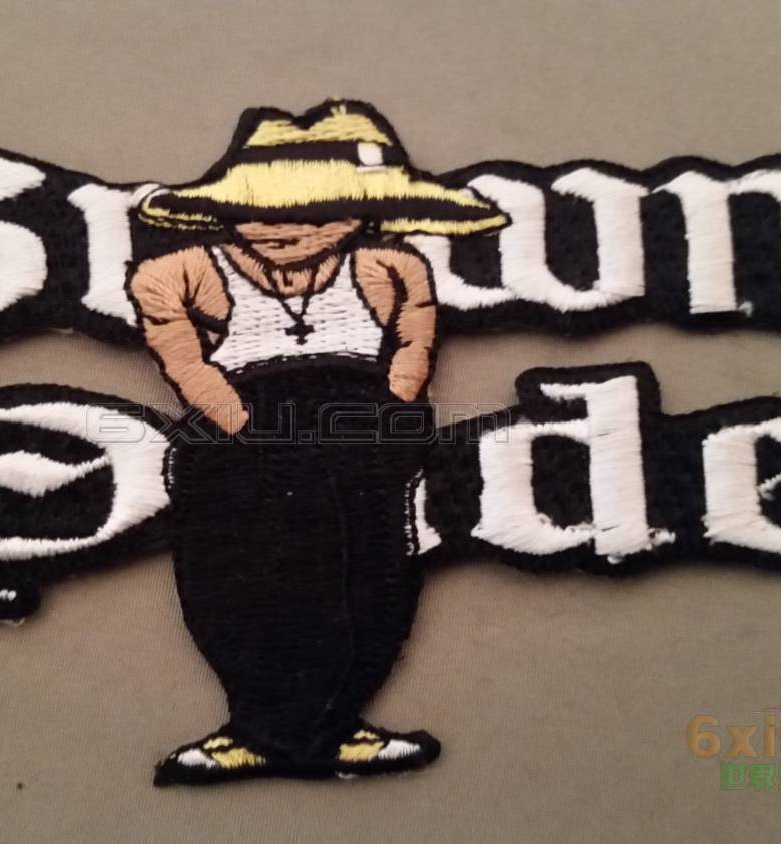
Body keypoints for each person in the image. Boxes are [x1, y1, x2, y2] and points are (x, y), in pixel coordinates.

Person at [128, 101, 505, 784]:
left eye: (315, 212)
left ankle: (338, 727)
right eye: (260, 211)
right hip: (238, 448)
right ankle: (253, 728)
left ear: (364, 211)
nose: (284, 228)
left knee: (370, 573)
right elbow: (185, 365)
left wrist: (394, 413)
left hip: (359, 442)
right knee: (234, 578)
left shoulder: (391, 268)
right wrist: (247, 434)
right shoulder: (177, 273)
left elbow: (414, 344)